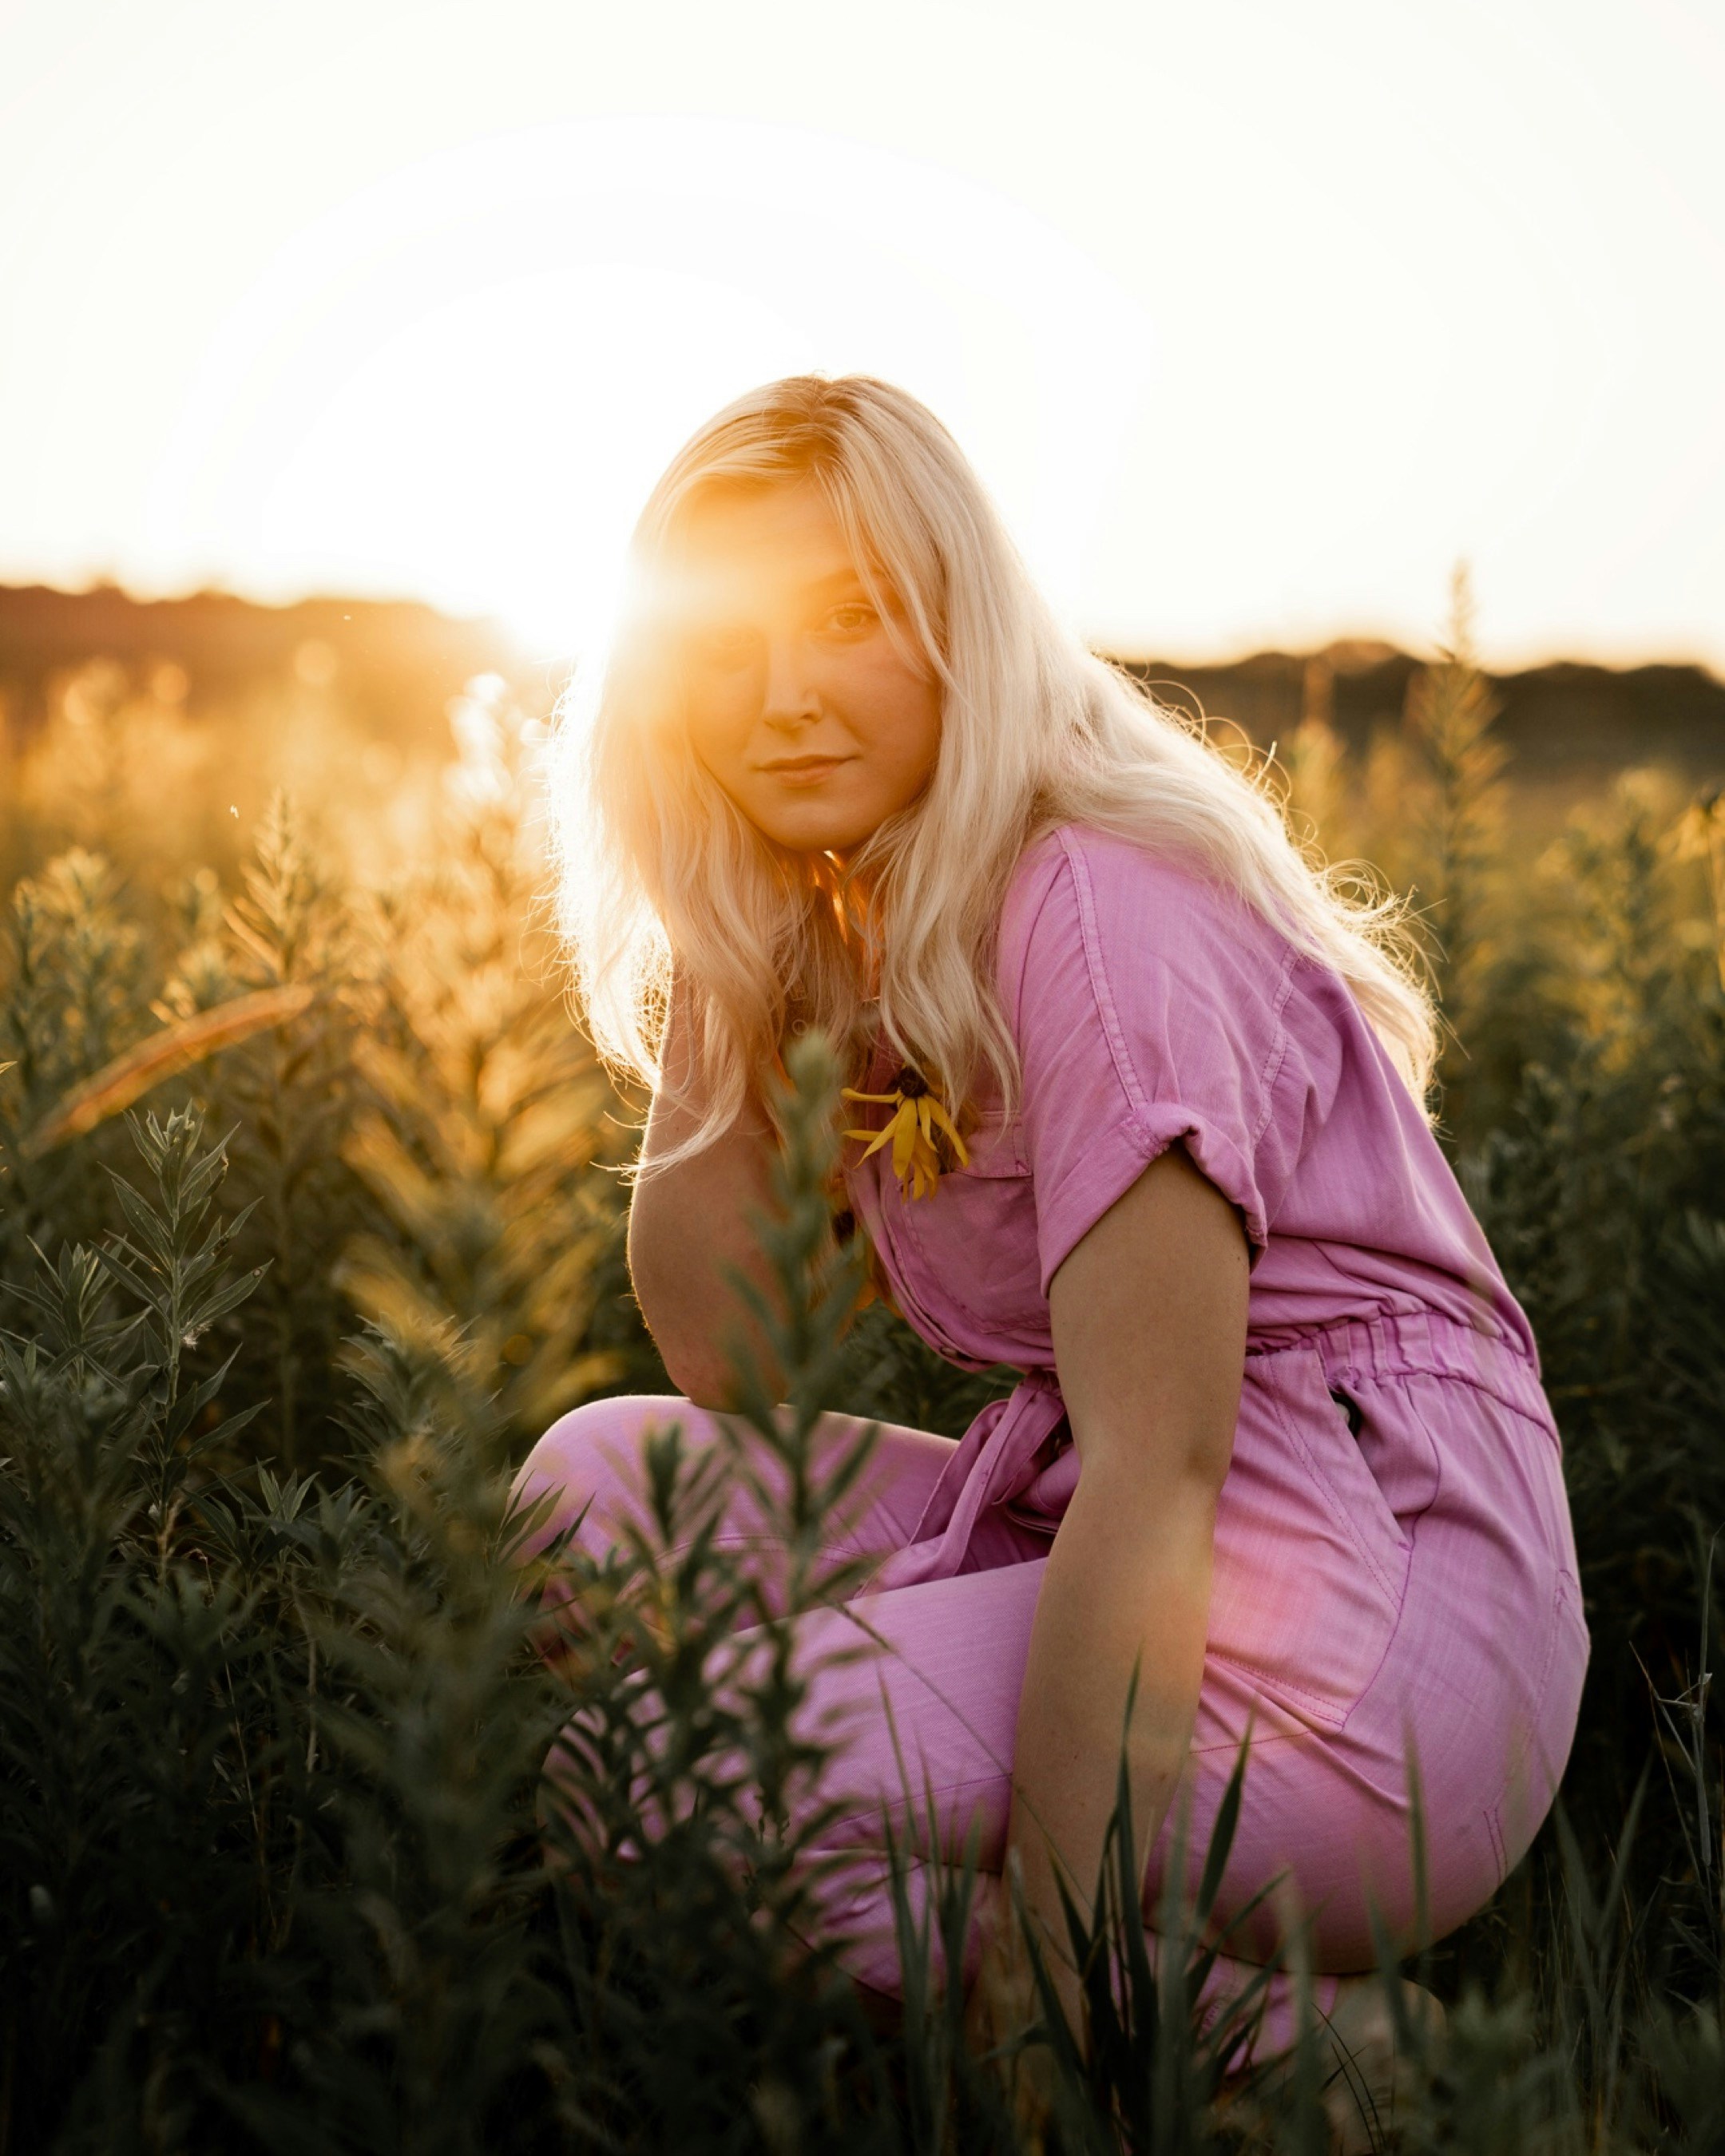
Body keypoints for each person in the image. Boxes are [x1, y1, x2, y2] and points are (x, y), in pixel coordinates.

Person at [514, 374, 1588, 2139]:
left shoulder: (1088, 906)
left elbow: (1165, 1466)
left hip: (1377, 1627)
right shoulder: (881, 905)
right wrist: (728, 941)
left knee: (644, 1787)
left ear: (967, 626)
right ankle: (1185, 1988)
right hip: (1162, 1518)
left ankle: (1300, 2065)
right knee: (594, 1493)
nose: (781, 698)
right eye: (725, 644)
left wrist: (1046, 1942)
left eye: (854, 618)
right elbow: (741, 1380)